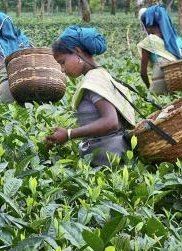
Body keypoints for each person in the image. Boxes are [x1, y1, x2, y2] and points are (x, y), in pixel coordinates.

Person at [45, 26, 136, 167]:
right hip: (108, 156)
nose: (62, 69)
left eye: (63, 62)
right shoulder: (100, 74)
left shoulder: (94, 80)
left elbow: (111, 122)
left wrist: (69, 134)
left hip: (109, 160)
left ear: (77, 52)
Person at [137, 4, 182, 94]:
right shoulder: (176, 39)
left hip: (160, 90)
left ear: (148, 24)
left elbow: (143, 73)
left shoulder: (149, 41)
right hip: (180, 87)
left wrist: (149, 88)